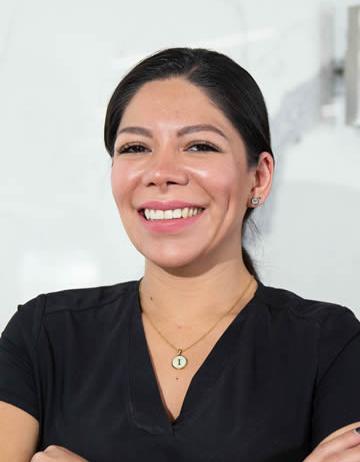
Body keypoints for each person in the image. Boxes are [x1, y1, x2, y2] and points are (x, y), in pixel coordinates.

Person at [1, 47, 360, 462]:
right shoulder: (44, 335)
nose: (161, 173)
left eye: (199, 146)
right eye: (135, 148)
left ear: (258, 178)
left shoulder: (330, 345)